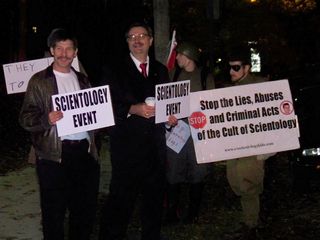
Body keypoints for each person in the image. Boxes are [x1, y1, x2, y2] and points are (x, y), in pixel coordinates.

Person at [19, 28, 100, 240]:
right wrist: (47, 119)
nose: (64, 54)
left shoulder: (83, 80)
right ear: (52, 51)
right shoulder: (39, 81)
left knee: (82, 211)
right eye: (59, 49)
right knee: (53, 214)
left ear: (75, 52)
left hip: (84, 153)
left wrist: (100, 120)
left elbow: (93, 116)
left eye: (69, 49)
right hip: (54, 156)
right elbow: (25, 118)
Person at [99, 22, 177, 240]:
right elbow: (106, 106)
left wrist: (170, 118)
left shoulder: (161, 70)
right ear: (127, 42)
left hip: (155, 152)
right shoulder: (113, 70)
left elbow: (168, 104)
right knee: (120, 206)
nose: (137, 40)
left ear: (150, 41)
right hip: (127, 151)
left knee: (153, 208)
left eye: (142, 35)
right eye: (132, 37)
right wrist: (134, 109)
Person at [165, 42, 215, 224]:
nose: (176, 57)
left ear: (189, 55)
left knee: (198, 171)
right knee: (173, 171)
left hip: (198, 131)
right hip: (177, 130)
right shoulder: (173, 75)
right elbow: (166, 102)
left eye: (179, 54)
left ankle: (193, 213)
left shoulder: (204, 77)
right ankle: (171, 212)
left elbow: (212, 105)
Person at [226, 44, 270, 236]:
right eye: (230, 67)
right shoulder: (231, 90)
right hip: (235, 147)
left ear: (246, 68)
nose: (231, 71)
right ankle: (249, 220)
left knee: (249, 185)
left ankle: (252, 225)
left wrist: (268, 148)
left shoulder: (260, 86)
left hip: (253, 148)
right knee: (236, 182)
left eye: (236, 67)